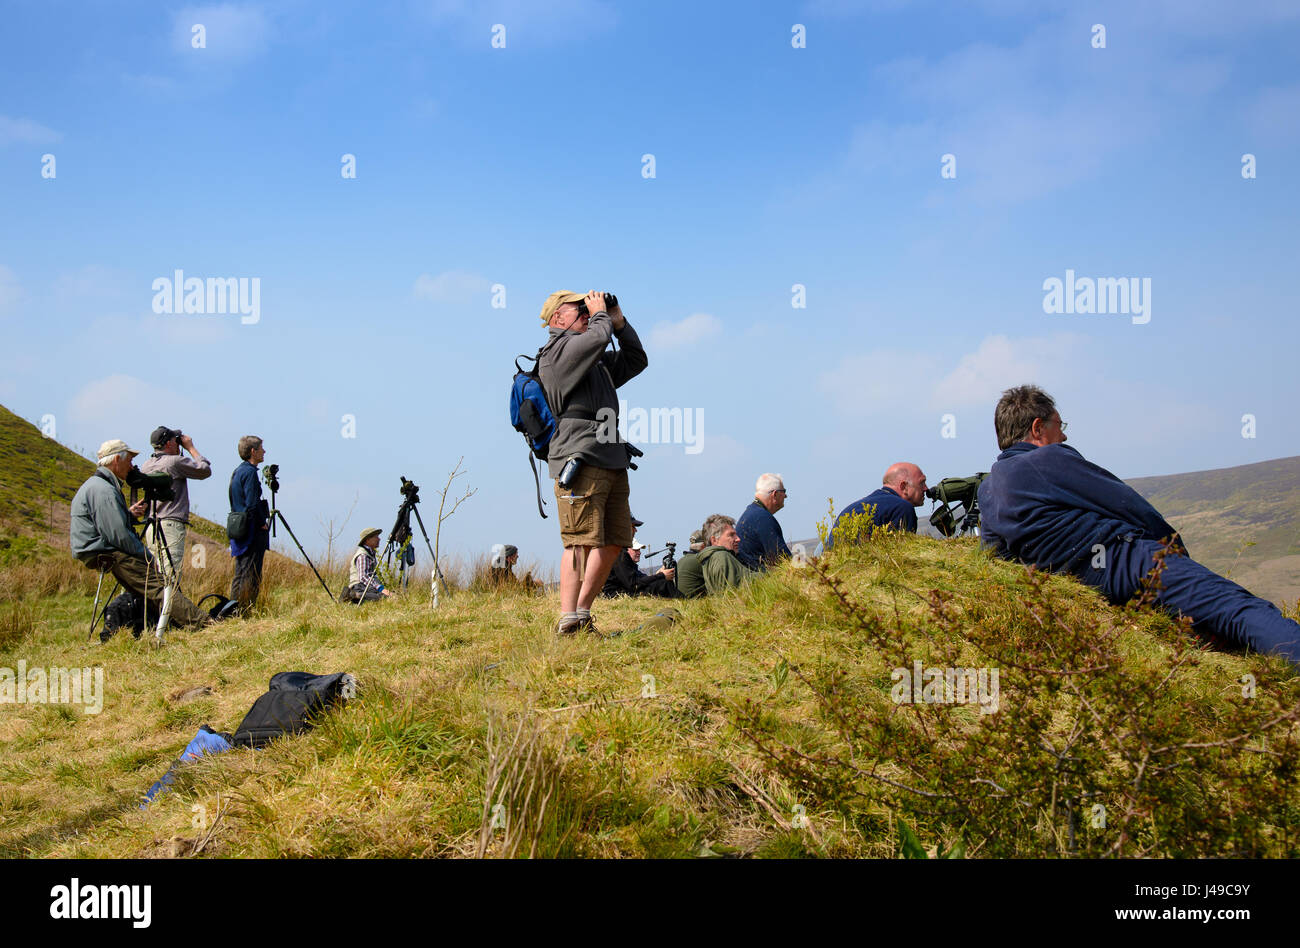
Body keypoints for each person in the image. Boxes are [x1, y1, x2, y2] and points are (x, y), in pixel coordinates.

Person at [978, 385, 1300, 665]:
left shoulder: (989, 489)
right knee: (1238, 609)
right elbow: (1126, 503)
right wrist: (1173, 553)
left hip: (1079, 584)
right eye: (1059, 426)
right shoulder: (1047, 459)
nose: (1063, 435)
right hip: (1125, 561)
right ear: (1037, 428)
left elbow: (994, 558)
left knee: (1213, 623)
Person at [537, 289, 648, 635]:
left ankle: (581, 615)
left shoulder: (593, 361)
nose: (587, 312)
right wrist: (601, 318)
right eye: (578, 309)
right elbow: (597, 338)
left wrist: (618, 320)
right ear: (558, 319)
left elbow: (635, 359)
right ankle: (567, 616)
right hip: (580, 455)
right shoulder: (556, 353)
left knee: (616, 539)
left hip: (610, 456)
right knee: (579, 541)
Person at [70, 439, 211, 630]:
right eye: (128, 460)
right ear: (116, 460)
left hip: (97, 548)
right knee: (160, 586)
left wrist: (126, 515)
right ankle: (204, 624)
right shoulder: (103, 489)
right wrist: (145, 555)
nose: (131, 466)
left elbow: (105, 525)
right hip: (107, 550)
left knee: (145, 587)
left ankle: (154, 626)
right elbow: (118, 535)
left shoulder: (97, 485)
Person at [138, 425, 212, 585]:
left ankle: (154, 609)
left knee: (154, 575)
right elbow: (204, 470)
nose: (179, 444)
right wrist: (191, 448)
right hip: (170, 525)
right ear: (169, 443)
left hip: (151, 525)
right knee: (170, 576)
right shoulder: (175, 462)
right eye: (176, 441)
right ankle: (167, 609)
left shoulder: (146, 465)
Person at [828, 462, 928, 546]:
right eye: (921, 483)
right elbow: (903, 554)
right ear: (904, 486)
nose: (926, 488)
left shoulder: (853, 508)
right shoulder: (902, 508)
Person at [228, 435, 270, 613]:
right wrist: (262, 523)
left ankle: (233, 608)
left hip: (239, 527)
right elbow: (252, 503)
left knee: (241, 571)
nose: (264, 451)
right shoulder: (251, 473)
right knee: (251, 572)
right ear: (253, 451)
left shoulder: (238, 471)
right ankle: (245, 609)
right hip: (251, 530)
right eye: (261, 448)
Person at [736, 473, 792, 570]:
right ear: (775, 494)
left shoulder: (752, 514)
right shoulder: (763, 518)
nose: (786, 496)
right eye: (784, 491)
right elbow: (784, 559)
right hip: (759, 578)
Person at [698, 514, 761, 595]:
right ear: (714, 540)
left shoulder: (710, 559)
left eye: (736, 534)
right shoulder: (721, 557)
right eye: (731, 535)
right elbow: (735, 590)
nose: (738, 539)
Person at [602, 538, 680, 599]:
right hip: (617, 595)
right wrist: (661, 575)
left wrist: (659, 574)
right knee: (663, 584)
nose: (639, 553)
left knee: (661, 582)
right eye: (635, 550)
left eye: (639, 550)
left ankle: (682, 599)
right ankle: (683, 600)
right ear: (626, 550)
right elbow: (634, 584)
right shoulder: (621, 560)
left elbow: (642, 579)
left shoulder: (630, 564)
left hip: (627, 592)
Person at [343, 527, 392, 603]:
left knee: (387, 596)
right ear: (368, 540)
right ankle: (355, 595)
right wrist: (380, 589)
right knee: (386, 598)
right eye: (376, 537)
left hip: (363, 586)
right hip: (359, 586)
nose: (379, 539)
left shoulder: (369, 553)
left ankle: (356, 596)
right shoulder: (363, 555)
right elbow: (364, 577)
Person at [675, 529, 708, 598]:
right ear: (703, 546)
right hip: (695, 601)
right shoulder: (701, 560)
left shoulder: (681, 560)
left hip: (681, 600)